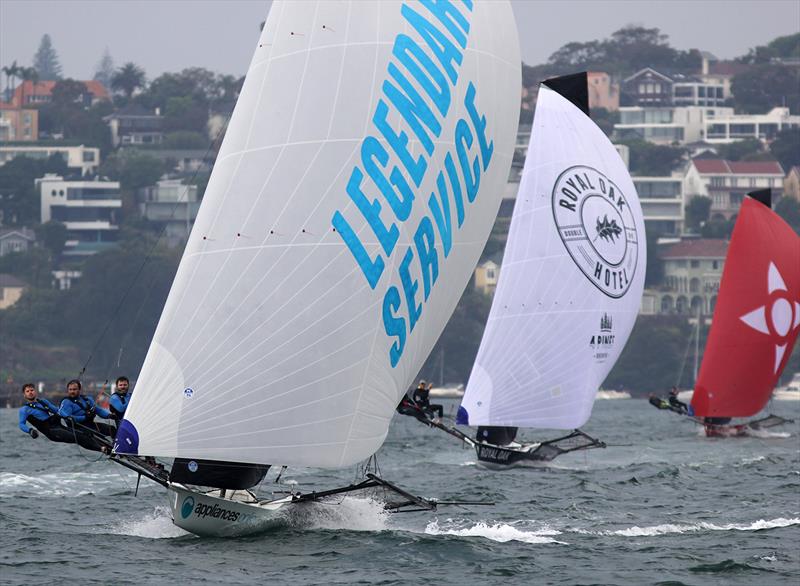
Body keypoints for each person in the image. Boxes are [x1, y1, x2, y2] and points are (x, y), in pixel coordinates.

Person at [58, 379, 116, 451]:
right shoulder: (66, 402)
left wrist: (109, 416)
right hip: (78, 429)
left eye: (74, 389)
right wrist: (84, 417)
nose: (72, 391)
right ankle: (107, 449)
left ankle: (119, 446)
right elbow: (65, 415)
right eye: (70, 389)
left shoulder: (87, 399)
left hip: (91, 425)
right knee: (100, 441)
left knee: (112, 429)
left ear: (79, 390)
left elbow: (98, 410)